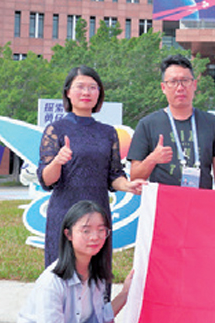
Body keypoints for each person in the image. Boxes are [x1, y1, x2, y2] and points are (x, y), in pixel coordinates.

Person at [38, 66, 144, 269]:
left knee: (96, 273)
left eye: (92, 87)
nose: (86, 92)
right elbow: (46, 180)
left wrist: (128, 186)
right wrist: (58, 161)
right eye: (80, 87)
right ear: (68, 92)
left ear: (99, 94)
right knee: (63, 273)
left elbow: (113, 175)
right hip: (65, 213)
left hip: (97, 214)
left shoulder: (108, 132)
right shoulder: (55, 130)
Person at [128, 54, 215, 190]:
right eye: (173, 82)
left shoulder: (212, 123)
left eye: (185, 81)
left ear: (194, 85)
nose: (180, 87)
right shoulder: (147, 124)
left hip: (202, 199)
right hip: (163, 200)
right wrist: (153, 159)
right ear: (163, 87)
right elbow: (135, 177)